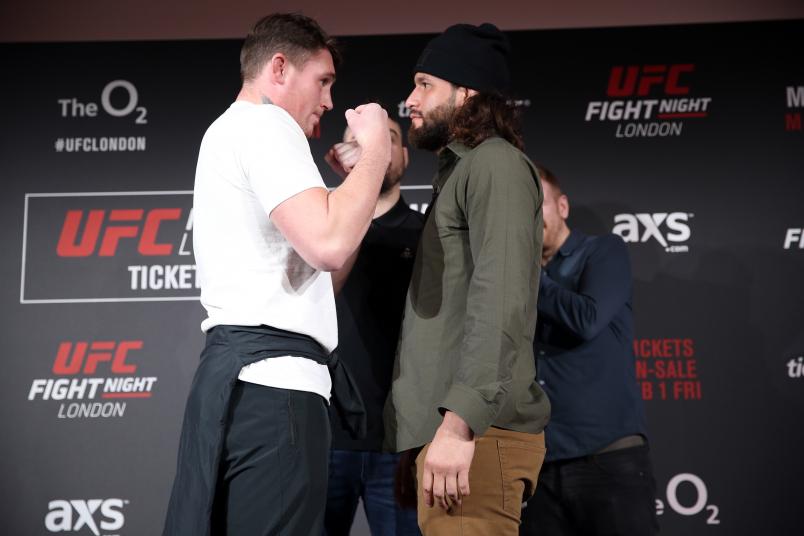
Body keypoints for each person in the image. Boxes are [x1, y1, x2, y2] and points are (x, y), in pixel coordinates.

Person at [162, 13, 392, 536]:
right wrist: (378, 148)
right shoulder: (268, 126)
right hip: (275, 392)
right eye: (324, 81)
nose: (330, 101)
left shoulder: (229, 132)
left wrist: (352, 190)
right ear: (280, 68)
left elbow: (318, 273)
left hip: (247, 389)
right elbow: (330, 243)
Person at [383, 23, 550, 536]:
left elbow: (500, 303)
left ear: (467, 93)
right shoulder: (464, 170)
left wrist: (458, 425)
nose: (410, 99)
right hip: (458, 434)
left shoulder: (495, 165)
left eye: (424, 84)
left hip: (478, 435)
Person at [519, 167, 659, 536]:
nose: (528, 218)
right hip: (540, 466)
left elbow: (587, 318)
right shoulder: (511, 281)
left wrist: (525, 276)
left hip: (608, 459)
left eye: (537, 205)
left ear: (562, 206)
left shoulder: (602, 252)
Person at [322, 115, 423, 535]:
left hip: (401, 442)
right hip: (324, 437)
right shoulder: (317, 233)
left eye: (387, 141)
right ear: (342, 155)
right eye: (359, 143)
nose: (374, 151)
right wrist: (352, 199)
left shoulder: (429, 235)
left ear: (401, 156)